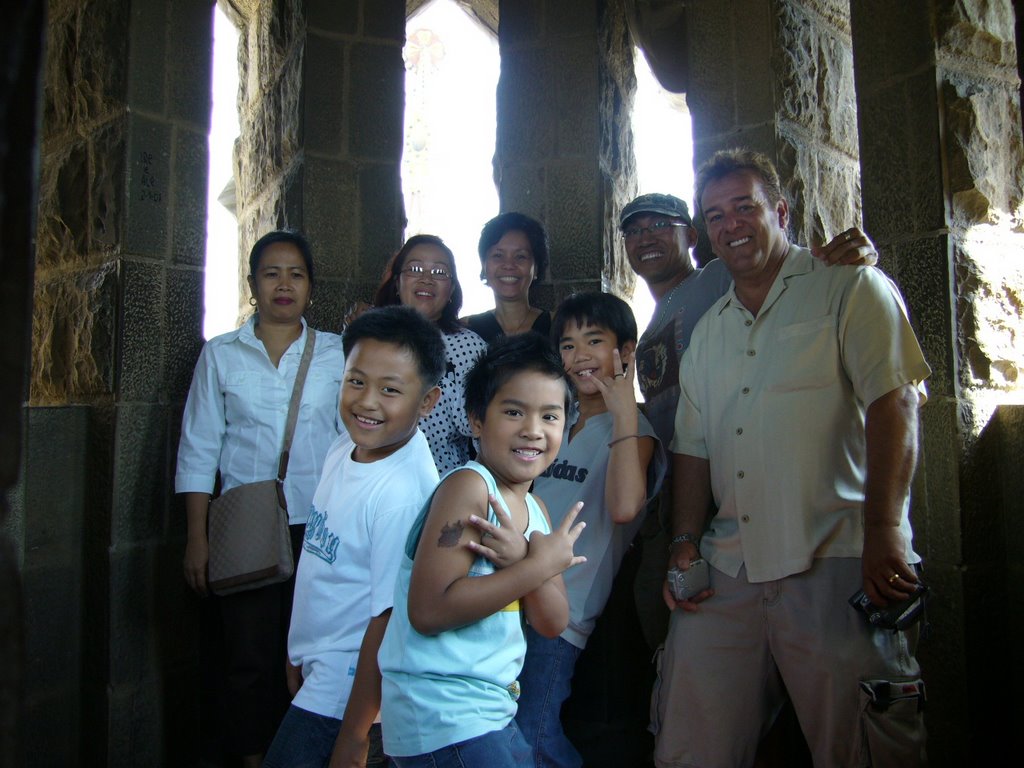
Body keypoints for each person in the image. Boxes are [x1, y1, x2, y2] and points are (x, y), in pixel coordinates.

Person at [653, 149, 930, 767]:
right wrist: (684, 541)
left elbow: (896, 402)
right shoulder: (708, 333)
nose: (732, 225)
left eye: (745, 207)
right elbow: (693, 448)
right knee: (688, 743)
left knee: (863, 743)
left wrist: (885, 531)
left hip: (837, 554)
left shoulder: (849, 286)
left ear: (780, 211)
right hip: (729, 567)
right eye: (716, 215)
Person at [622, 192, 882, 650]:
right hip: (684, 500)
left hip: (761, 502)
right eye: (634, 230)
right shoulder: (648, 331)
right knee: (664, 622)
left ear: (692, 235)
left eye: (660, 224)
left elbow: (786, 261)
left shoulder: (719, 276)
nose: (646, 237)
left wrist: (851, 256)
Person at [176, 230, 345, 767]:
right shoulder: (222, 355)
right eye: (271, 273)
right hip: (245, 526)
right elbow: (199, 448)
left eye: (296, 273)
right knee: (246, 653)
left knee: (315, 652)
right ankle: (252, 757)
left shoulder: (338, 353)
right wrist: (196, 538)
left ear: (311, 287)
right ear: (253, 284)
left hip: (318, 526)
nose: (284, 284)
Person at [378, 333, 587, 767]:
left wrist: (530, 563)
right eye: (514, 412)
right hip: (441, 712)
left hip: (492, 712)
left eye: (550, 416)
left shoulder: (537, 508)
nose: (533, 430)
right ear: (476, 420)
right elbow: (429, 610)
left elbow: (553, 622)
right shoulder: (469, 488)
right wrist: (535, 567)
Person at [263, 306, 446, 768]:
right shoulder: (348, 443)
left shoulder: (403, 494)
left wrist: (355, 734)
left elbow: (388, 620)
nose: (367, 402)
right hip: (320, 664)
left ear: (427, 401)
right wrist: (298, 649)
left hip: (350, 687)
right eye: (356, 381)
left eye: (390, 390)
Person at [514, 292, 667, 767]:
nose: (578, 356)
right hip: (513, 596)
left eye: (594, 341)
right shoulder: (560, 420)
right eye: (567, 345)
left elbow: (624, 507)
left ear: (625, 350)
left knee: (535, 735)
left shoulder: (635, 429)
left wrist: (623, 409)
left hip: (565, 613)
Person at [373, 234, 488, 475]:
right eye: (415, 269)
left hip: (440, 488)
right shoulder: (369, 338)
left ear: (452, 289)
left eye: (439, 272)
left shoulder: (469, 347)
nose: (426, 279)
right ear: (397, 282)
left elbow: (485, 432)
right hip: (371, 479)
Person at [463, 212, 552, 343]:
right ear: (483, 265)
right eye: (498, 256)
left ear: (536, 268)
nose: (509, 265)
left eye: (520, 256)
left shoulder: (559, 326)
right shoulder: (465, 330)